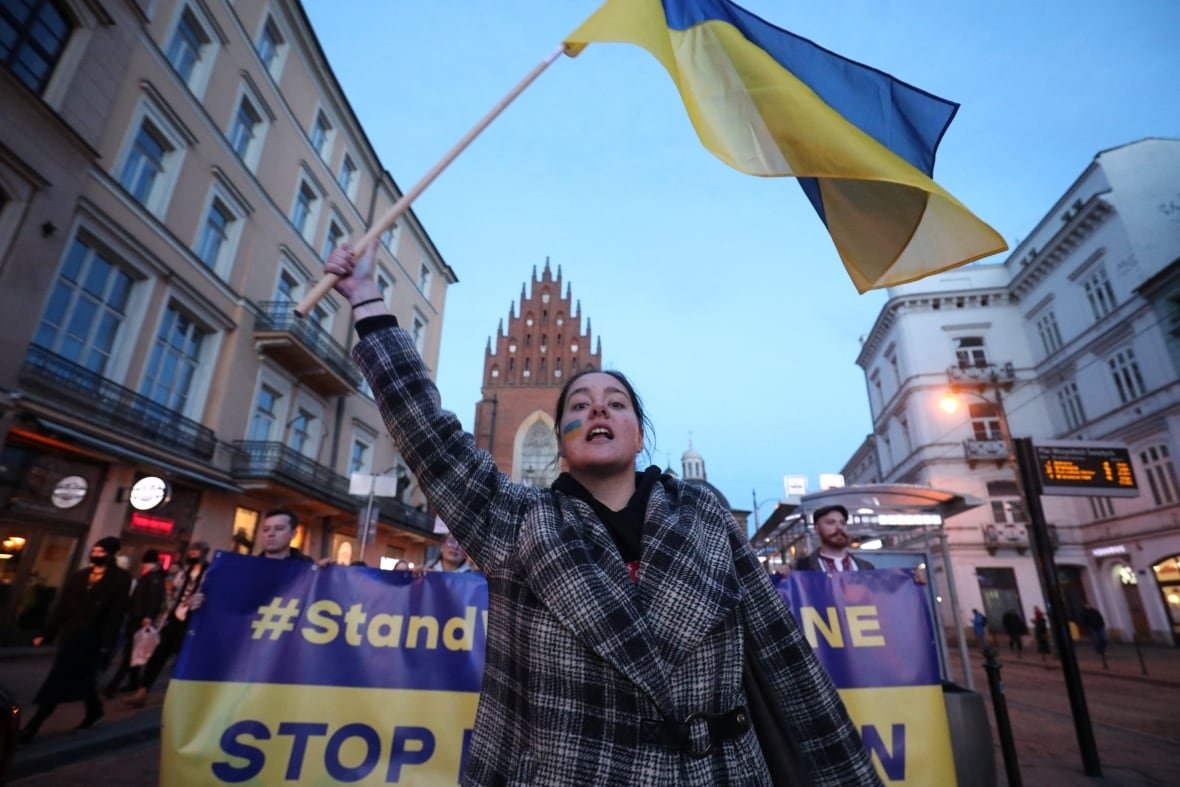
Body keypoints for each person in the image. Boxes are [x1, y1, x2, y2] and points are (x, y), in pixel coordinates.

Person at [324, 245, 880, 785]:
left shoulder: (704, 515)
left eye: (616, 402)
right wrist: (367, 298)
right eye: (578, 404)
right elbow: (431, 438)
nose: (596, 408)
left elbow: (787, 663)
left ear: (639, 434)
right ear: (562, 441)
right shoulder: (518, 519)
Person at [19, 537, 131, 742]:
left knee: (64, 680)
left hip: (93, 639)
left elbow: (116, 614)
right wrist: (48, 632)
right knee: (74, 678)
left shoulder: (120, 579)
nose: (96, 554)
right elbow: (63, 606)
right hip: (71, 636)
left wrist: (107, 646)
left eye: (101, 552)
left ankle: (33, 726)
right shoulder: (79, 576)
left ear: (111, 554)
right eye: (95, 551)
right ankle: (94, 709)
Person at [123, 542, 209, 708]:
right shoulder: (184, 573)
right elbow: (171, 596)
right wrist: (169, 596)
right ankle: (143, 691)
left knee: (185, 659)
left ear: (204, 553)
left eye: (196, 552)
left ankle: (182, 697)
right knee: (158, 655)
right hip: (174, 619)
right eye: (191, 551)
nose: (192, 555)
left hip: (193, 622)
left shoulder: (210, 574)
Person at [105, 549, 166, 697]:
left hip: (141, 619)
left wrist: (148, 617)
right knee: (132, 651)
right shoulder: (150, 577)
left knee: (130, 653)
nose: (143, 565)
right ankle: (133, 682)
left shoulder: (154, 578)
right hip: (137, 617)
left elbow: (154, 599)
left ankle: (113, 686)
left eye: (145, 563)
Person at [794, 505, 876, 573]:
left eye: (843, 523)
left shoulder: (867, 568)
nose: (839, 527)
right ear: (817, 529)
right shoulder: (802, 568)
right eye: (831, 522)